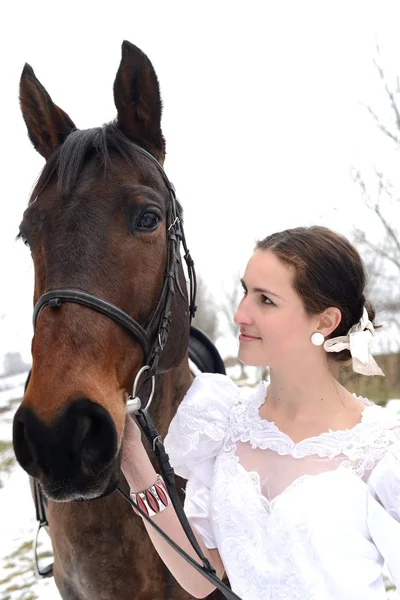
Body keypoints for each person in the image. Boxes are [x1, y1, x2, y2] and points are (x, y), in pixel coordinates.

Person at [121, 225, 400, 600]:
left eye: (265, 300)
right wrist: (136, 466)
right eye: (245, 293)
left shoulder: (383, 452)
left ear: (325, 321)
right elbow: (203, 577)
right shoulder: (222, 426)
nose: (240, 314)